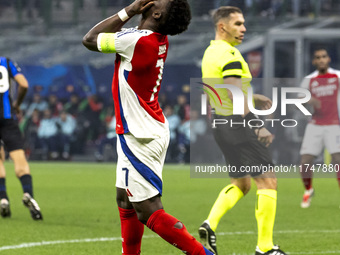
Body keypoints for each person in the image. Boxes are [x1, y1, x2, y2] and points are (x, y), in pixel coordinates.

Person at [82, 1, 213, 254]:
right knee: (125, 200)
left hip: (139, 135)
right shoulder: (155, 38)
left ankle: (202, 253)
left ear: (156, 13)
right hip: (137, 130)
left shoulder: (138, 40)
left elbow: (90, 39)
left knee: (148, 209)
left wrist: (129, 11)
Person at [198, 7, 286, 255]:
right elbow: (236, 98)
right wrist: (259, 126)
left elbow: (224, 88)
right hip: (239, 125)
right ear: (222, 27)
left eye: (244, 23)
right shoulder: (231, 56)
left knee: (241, 183)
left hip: (220, 124)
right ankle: (265, 247)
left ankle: (210, 224)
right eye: (238, 24)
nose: (244, 28)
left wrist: (253, 96)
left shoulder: (210, 53)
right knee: (268, 182)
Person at [0, 56, 42, 220]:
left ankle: (3, 198)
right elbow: (23, 84)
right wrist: (17, 103)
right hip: (8, 118)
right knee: (19, 159)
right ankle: (28, 194)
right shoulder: (6, 62)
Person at [299, 48, 340, 208]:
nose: (321, 59)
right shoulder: (309, 80)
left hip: (334, 125)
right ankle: (308, 190)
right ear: (314, 62)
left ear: (328, 59)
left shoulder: (337, 76)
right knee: (305, 163)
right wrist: (309, 99)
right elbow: (298, 100)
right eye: (318, 58)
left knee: (338, 160)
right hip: (315, 125)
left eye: (324, 56)